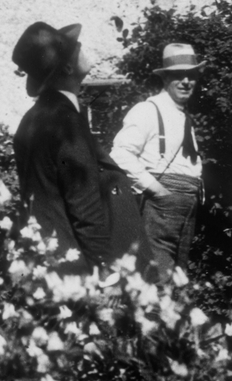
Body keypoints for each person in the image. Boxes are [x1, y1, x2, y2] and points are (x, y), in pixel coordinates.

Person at [11, 21, 141, 274]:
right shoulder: (66, 121)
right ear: (68, 67)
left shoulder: (33, 119)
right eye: (75, 46)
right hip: (77, 266)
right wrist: (106, 268)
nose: (81, 45)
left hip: (50, 257)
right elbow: (84, 203)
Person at [111, 42, 206, 282]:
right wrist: (157, 189)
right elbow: (120, 154)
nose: (186, 81)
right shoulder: (147, 110)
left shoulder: (182, 114)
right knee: (156, 274)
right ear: (165, 78)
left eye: (191, 75)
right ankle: (154, 318)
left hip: (187, 203)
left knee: (178, 276)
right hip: (162, 203)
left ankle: (169, 318)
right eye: (178, 75)